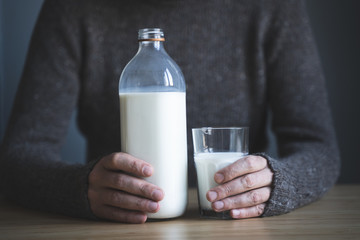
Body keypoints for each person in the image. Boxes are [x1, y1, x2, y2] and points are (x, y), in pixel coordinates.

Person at [0, 0, 340, 224]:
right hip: (120, 229)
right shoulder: (73, 8)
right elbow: (18, 157)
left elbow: (319, 148)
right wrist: (80, 188)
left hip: (235, 229)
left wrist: (276, 183)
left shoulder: (272, 6)